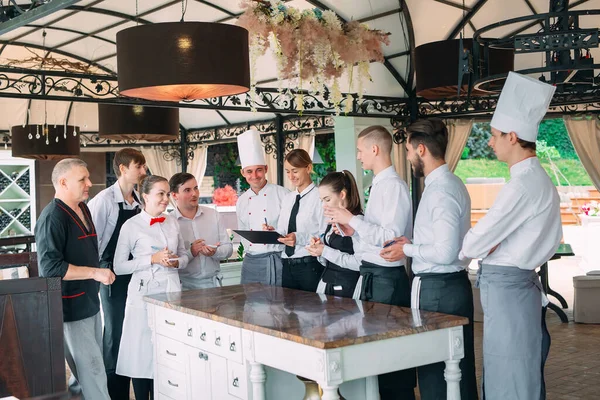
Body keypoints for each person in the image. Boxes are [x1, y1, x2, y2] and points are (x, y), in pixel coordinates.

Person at [459, 72, 561, 400]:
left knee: (511, 380)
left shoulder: (521, 185)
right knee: (513, 374)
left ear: (512, 137)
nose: (490, 143)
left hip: (510, 292)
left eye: (494, 135)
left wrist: (489, 243)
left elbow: (473, 243)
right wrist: (492, 241)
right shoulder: (536, 179)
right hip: (515, 292)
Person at [379, 119, 478, 400]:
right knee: (458, 369)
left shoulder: (440, 191)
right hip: (449, 287)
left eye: (409, 150)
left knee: (436, 374)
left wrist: (407, 251)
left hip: (438, 290)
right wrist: (411, 244)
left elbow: (446, 251)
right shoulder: (451, 182)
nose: (408, 157)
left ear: (421, 149)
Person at [324, 125, 415, 400]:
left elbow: (390, 238)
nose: (359, 156)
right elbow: (373, 240)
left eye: (361, 150)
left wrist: (351, 219)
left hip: (388, 281)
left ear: (374, 149)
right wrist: (354, 230)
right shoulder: (377, 185)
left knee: (392, 358)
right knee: (378, 356)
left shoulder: (394, 186)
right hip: (374, 277)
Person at [35, 158, 113, 400]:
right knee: (94, 371)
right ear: (63, 182)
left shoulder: (84, 207)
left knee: (84, 374)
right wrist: (95, 272)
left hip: (90, 303)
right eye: (83, 179)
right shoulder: (52, 218)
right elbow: (50, 268)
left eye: (88, 177)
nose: (90, 183)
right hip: (70, 307)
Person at [113, 175, 189, 400]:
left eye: (167, 194)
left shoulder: (173, 222)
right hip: (142, 294)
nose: (166, 199)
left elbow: (184, 255)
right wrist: (152, 259)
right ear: (145, 196)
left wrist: (177, 261)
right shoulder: (131, 226)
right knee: (142, 352)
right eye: (161, 194)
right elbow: (119, 266)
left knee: (168, 350)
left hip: (172, 291)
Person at [88, 148, 146, 399]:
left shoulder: (139, 200)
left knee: (135, 331)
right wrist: (99, 271)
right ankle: (115, 394)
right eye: (139, 166)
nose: (144, 171)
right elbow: (92, 241)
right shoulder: (103, 200)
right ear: (123, 168)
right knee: (114, 334)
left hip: (137, 272)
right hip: (110, 273)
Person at [236, 129, 289, 285]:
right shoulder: (242, 200)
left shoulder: (283, 194)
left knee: (278, 305)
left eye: (259, 170)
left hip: (276, 259)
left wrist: (276, 232)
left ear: (266, 169)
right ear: (242, 173)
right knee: (251, 305)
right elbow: (243, 231)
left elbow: (293, 230)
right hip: (250, 261)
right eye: (249, 171)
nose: (254, 176)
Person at [272, 148, 325, 292]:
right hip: (287, 264)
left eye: (295, 171)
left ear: (308, 168)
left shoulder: (320, 197)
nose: (291, 176)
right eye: (287, 171)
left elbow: (325, 235)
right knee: (289, 312)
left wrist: (299, 238)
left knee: (312, 312)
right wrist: (274, 233)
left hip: (310, 265)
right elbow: (284, 229)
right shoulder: (288, 198)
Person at [169, 172, 233, 289]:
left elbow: (228, 248)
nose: (194, 194)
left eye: (196, 188)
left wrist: (215, 252)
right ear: (174, 195)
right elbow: (170, 260)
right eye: (187, 190)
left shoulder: (213, 215)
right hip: (183, 287)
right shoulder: (169, 222)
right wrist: (191, 252)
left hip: (213, 284)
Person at [306, 170, 363, 298]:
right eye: (322, 200)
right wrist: (319, 250)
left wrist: (325, 251)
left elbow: (359, 263)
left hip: (348, 288)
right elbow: (328, 260)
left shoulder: (359, 222)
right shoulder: (332, 221)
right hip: (327, 284)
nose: (323, 206)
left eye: (327, 199)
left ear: (342, 194)